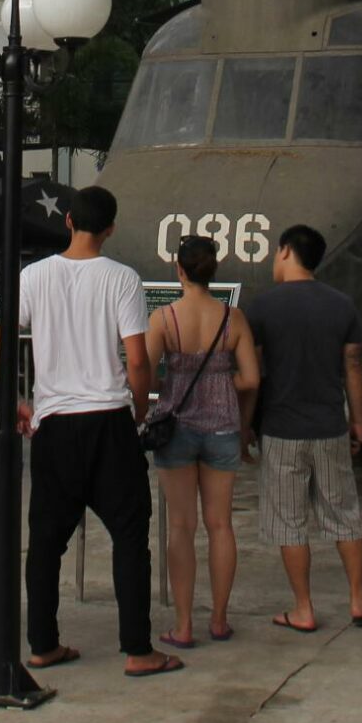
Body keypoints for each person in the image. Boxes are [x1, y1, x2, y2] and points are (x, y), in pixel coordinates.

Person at [0, 185, 183, 679]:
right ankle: (138, 649)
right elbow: (137, 359)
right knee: (128, 535)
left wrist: (18, 401)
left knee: (46, 540)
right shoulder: (122, 279)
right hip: (108, 418)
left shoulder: (33, 276)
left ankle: (42, 644)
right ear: (111, 229)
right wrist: (139, 410)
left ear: (68, 221)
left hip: (54, 422)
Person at [244, 224, 362, 632]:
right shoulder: (342, 305)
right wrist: (358, 420)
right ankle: (359, 600)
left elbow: (253, 376)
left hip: (281, 429)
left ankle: (303, 608)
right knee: (344, 515)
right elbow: (354, 365)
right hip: (329, 427)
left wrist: (244, 425)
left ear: (286, 251)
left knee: (289, 523)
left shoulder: (262, 308)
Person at [144, 234, 259, 650]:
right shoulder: (234, 318)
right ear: (214, 271)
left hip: (176, 425)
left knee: (180, 526)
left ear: (179, 270)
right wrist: (219, 383)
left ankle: (184, 624)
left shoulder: (165, 319)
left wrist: (163, 385)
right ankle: (220, 619)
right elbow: (251, 379)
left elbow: (145, 371)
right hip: (224, 425)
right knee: (221, 524)